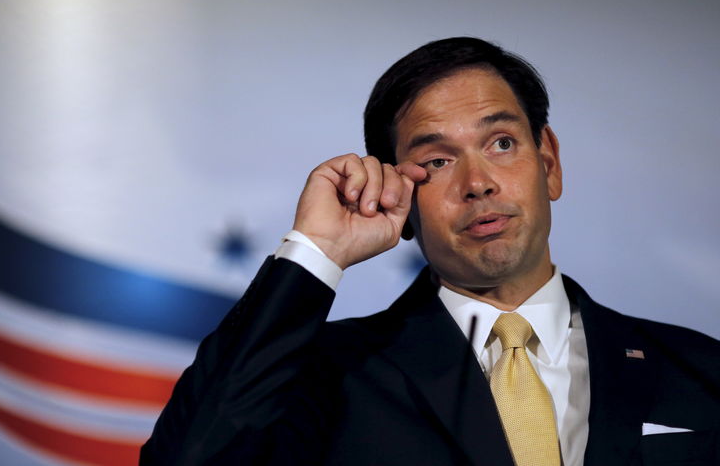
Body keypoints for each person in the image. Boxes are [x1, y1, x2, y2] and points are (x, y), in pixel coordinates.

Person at [140, 37, 720, 465]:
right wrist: (317, 250)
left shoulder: (700, 370)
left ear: (549, 164)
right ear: (400, 196)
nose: (478, 182)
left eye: (500, 143)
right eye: (438, 161)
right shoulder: (326, 376)